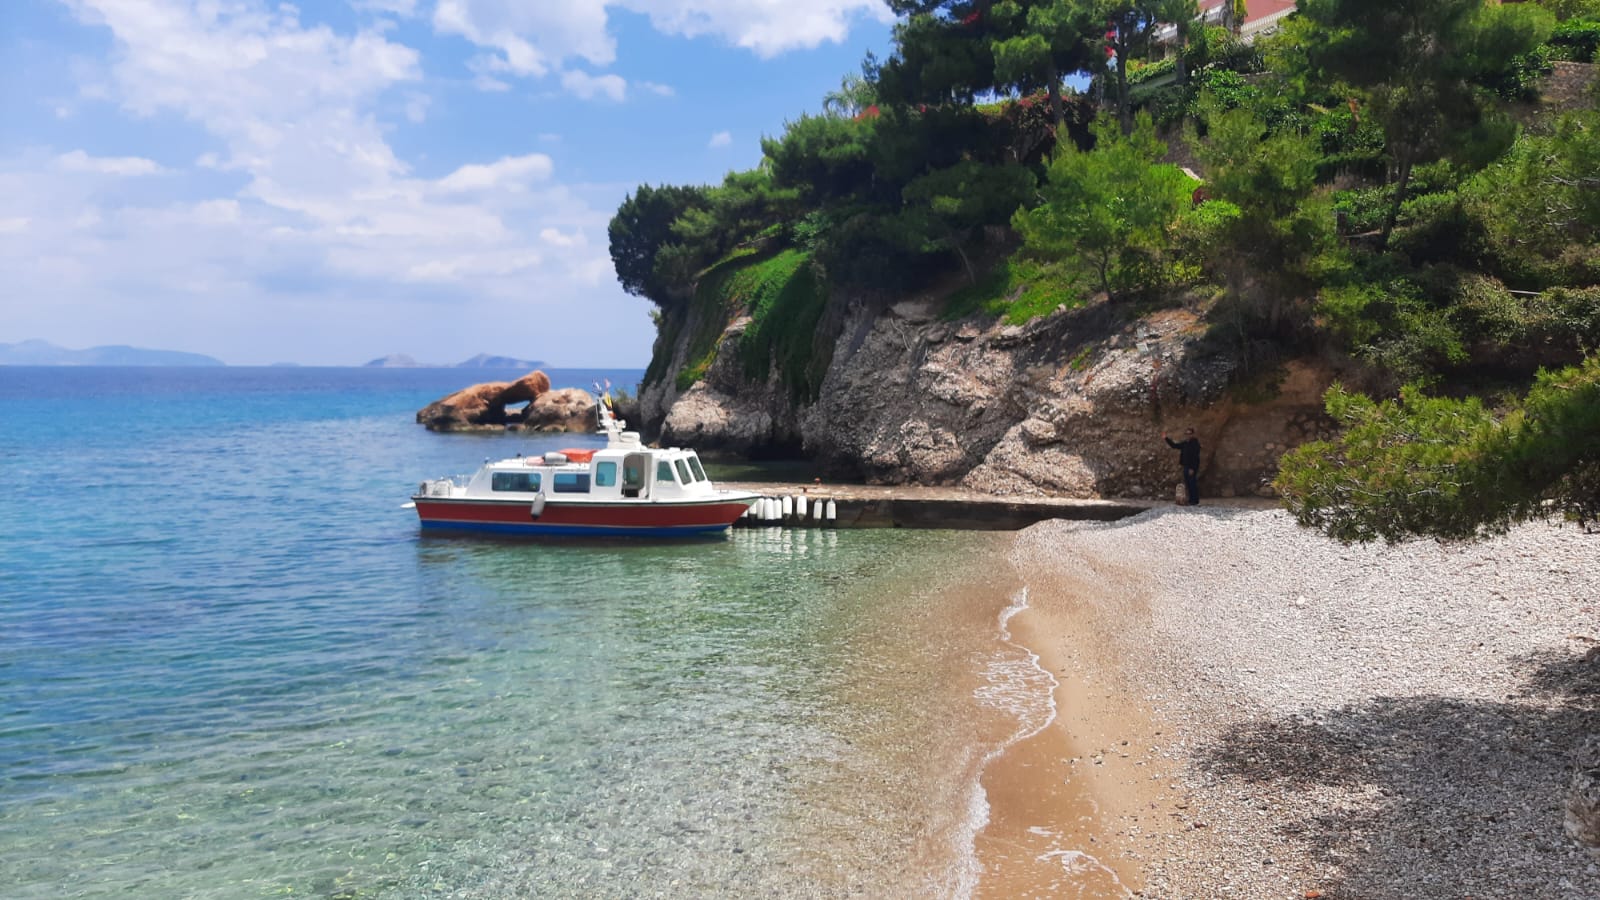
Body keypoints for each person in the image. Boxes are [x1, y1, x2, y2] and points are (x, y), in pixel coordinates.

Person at [1163, 427, 1201, 506]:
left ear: (1193, 434)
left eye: (1189, 433)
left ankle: (1195, 500)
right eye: (1187, 434)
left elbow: (1195, 457)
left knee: (1192, 483)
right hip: (1186, 466)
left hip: (1191, 467)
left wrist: (1192, 468)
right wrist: (1166, 438)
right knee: (1188, 483)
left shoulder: (1195, 444)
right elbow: (1174, 446)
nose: (1188, 435)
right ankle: (1191, 500)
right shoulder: (1185, 443)